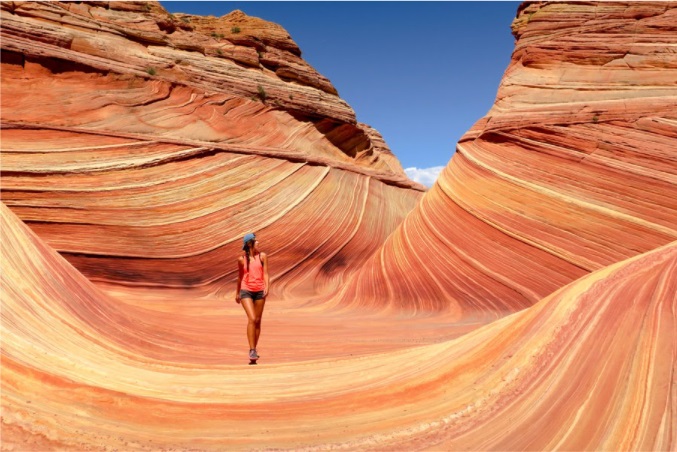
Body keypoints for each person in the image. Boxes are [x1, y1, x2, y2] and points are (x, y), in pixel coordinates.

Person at [235, 232, 269, 362]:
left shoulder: (262, 256)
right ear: (250, 243)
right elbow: (240, 277)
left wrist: (267, 286)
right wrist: (237, 293)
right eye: (256, 241)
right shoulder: (241, 259)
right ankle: (252, 350)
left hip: (260, 290)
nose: (258, 242)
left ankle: (254, 349)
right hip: (246, 290)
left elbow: (265, 273)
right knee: (252, 318)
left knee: (258, 320)